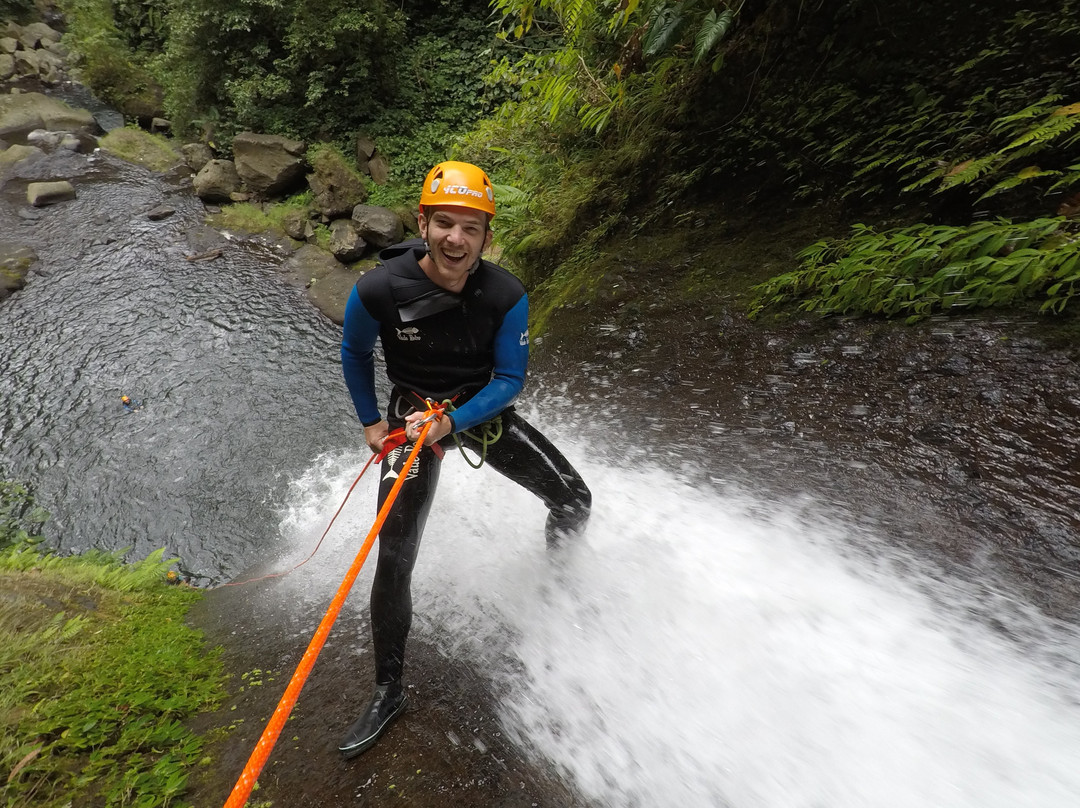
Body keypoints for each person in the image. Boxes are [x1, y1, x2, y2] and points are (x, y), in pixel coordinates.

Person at [338, 160, 591, 758]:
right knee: (394, 552)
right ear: (424, 223)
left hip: (476, 411)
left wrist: (452, 422)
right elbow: (353, 352)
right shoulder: (379, 289)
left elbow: (509, 378)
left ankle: (558, 581)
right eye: (445, 223)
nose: (456, 238)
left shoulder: (505, 295)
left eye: (470, 228)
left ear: (486, 236)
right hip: (409, 416)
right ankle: (388, 688)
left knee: (574, 500)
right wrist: (374, 423)